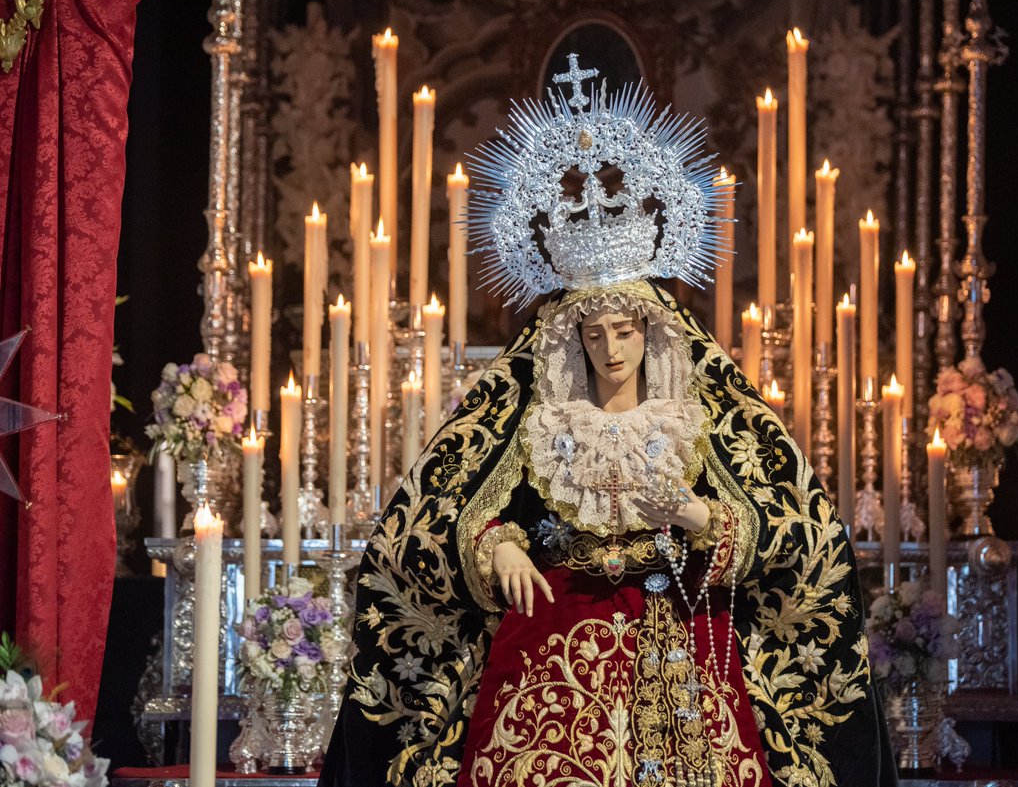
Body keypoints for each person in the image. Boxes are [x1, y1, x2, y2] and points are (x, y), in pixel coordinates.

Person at [318, 58, 896, 787]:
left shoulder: (698, 410)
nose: (613, 347)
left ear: (652, 332)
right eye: (596, 334)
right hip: (552, 634)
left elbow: (798, 531)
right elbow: (446, 515)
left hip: (678, 640)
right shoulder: (540, 415)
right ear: (573, 340)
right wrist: (496, 547)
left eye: (626, 331)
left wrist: (696, 513)